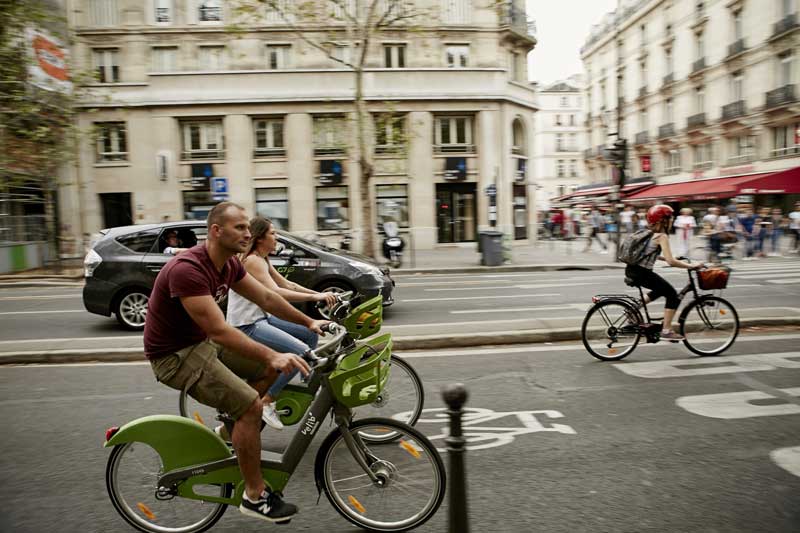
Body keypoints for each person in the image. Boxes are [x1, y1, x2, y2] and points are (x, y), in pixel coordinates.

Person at [143, 201, 329, 524]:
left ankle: (233, 432)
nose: (247, 232)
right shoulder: (188, 269)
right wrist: (272, 352)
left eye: (248, 227)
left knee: (270, 373)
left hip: (200, 343)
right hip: (174, 356)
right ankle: (254, 496)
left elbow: (268, 298)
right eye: (240, 227)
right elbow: (219, 329)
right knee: (251, 406)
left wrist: (309, 323)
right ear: (216, 231)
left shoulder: (228, 265)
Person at [227, 216, 337, 429]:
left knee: (308, 334)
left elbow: (287, 284)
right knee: (299, 354)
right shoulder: (253, 262)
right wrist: (316, 299)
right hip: (247, 325)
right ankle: (268, 400)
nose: (277, 237)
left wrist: (321, 294)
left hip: (262, 318)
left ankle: (298, 379)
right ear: (260, 238)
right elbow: (276, 293)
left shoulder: (263, 259)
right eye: (273, 233)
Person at [625, 204, 703, 341]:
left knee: (660, 289)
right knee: (672, 294)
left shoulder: (648, 232)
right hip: (643, 272)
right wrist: (690, 266)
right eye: (670, 219)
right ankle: (666, 330)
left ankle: (632, 308)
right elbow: (671, 262)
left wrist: (669, 257)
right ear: (662, 221)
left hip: (633, 270)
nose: (672, 221)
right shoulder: (662, 236)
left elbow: (649, 253)